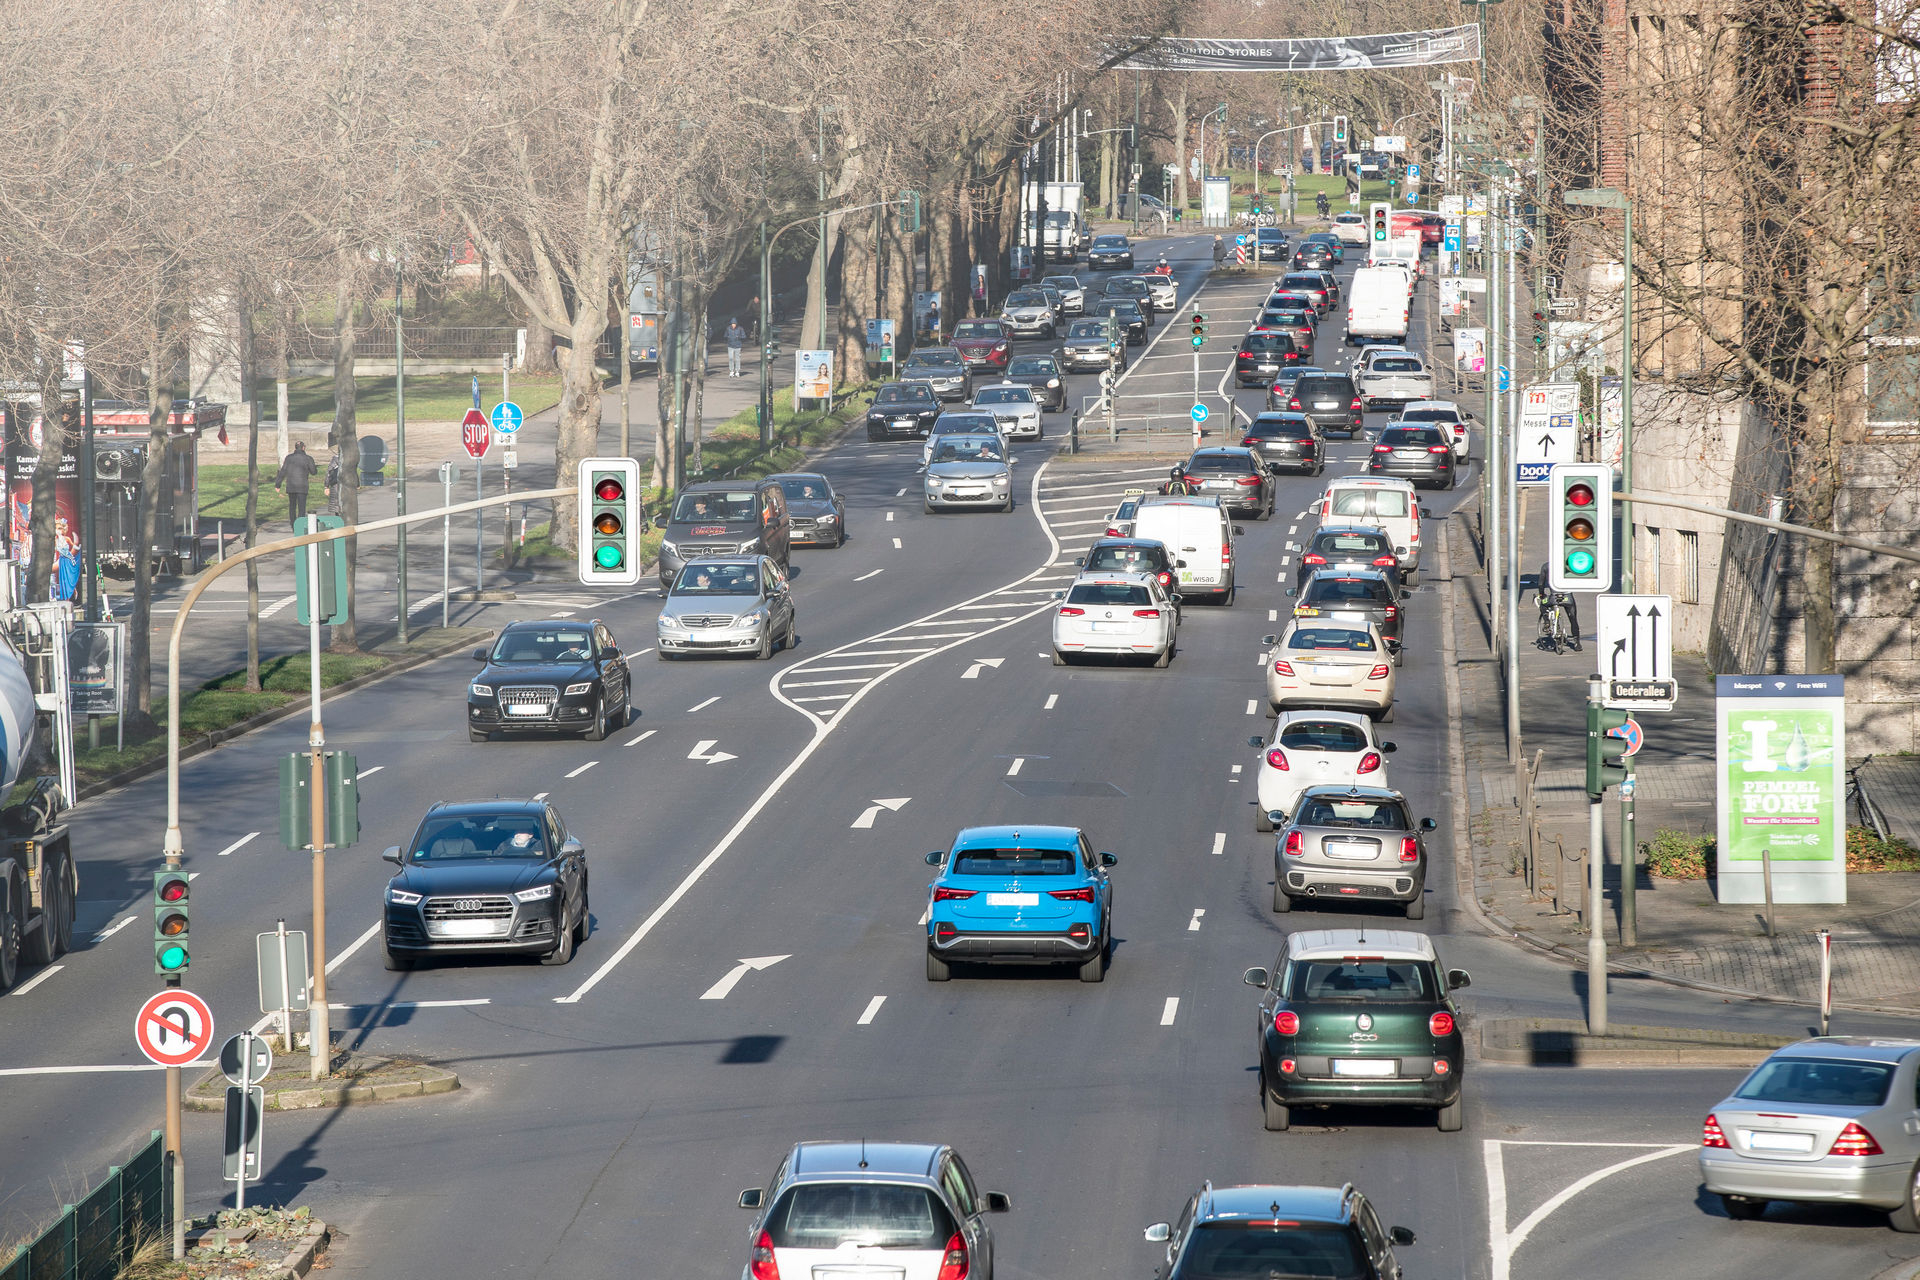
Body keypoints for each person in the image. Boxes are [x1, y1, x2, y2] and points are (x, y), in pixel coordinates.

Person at [274, 441, 318, 530]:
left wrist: (278, 484)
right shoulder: (308, 458)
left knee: (292, 506)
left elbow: (283, 471)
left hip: (291, 486)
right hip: (302, 486)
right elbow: (314, 472)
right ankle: (300, 526)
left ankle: (293, 525)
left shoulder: (289, 458)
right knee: (301, 507)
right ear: (303, 448)